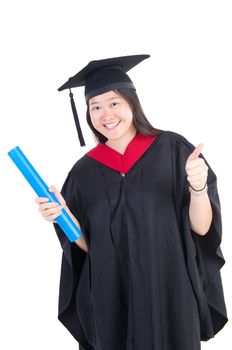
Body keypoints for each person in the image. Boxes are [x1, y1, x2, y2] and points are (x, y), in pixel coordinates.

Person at [35, 55, 228, 350]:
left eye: (113, 103)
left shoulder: (174, 150)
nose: (105, 114)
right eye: (95, 106)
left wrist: (198, 188)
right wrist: (64, 218)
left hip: (170, 294)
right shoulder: (83, 173)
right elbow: (91, 249)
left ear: (131, 103)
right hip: (113, 300)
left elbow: (202, 230)